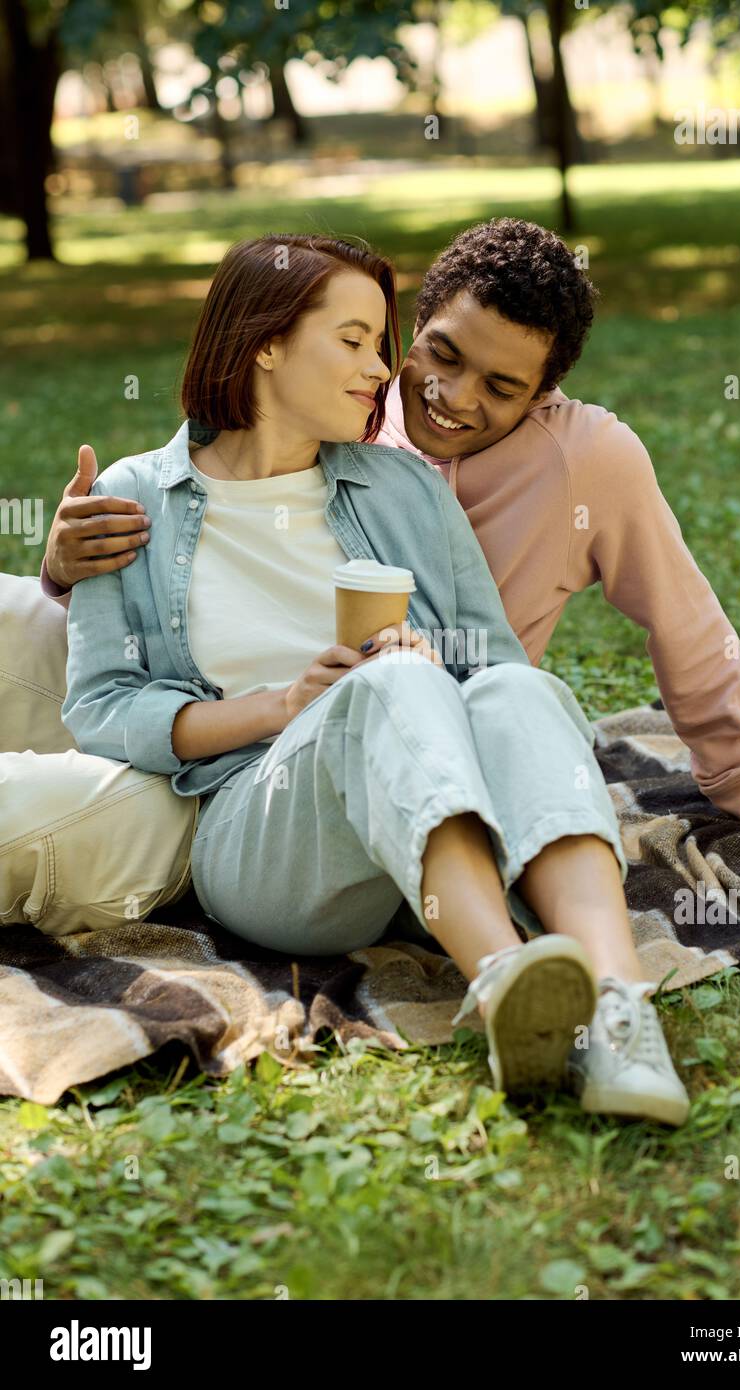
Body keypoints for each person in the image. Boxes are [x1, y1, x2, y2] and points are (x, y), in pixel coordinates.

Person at [54, 232, 690, 1125]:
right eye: (355, 341)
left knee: (516, 689)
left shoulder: (403, 488)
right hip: (261, 832)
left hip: (418, 818)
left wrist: (438, 670)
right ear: (266, 342)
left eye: (382, 342)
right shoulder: (134, 497)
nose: (383, 369)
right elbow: (103, 708)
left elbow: (492, 660)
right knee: (386, 685)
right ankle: (508, 982)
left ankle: (621, 1014)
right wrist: (281, 705)